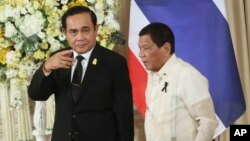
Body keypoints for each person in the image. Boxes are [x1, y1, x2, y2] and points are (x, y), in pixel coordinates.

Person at [28, 6, 134, 141]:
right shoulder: (58, 59)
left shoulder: (114, 63)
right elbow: (36, 94)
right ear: (64, 32)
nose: (80, 37)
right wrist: (46, 67)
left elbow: (123, 113)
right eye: (73, 32)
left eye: (85, 30)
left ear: (96, 29)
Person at [138, 22, 218, 141]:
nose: (140, 55)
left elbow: (208, 121)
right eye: (140, 48)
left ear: (166, 48)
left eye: (146, 48)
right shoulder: (152, 76)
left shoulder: (187, 75)